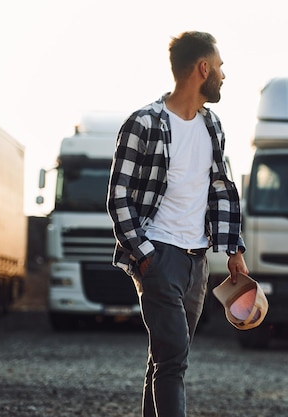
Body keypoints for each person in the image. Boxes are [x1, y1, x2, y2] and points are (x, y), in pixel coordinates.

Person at [106, 31, 248, 417]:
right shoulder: (144, 124)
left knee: (165, 358)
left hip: (197, 261)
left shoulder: (212, 126)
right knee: (173, 361)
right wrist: (146, 255)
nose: (223, 75)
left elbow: (221, 189)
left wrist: (234, 250)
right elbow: (118, 197)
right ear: (203, 68)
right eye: (219, 67)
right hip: (159, 255)